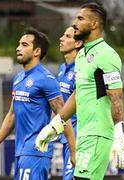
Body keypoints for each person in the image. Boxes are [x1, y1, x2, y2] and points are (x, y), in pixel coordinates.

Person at [35, 2, 124, 180]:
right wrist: (56, 124)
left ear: (94, 24)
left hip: (97, 134)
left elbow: (116, 97)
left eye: (80, 19)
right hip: (84, 133)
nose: (75, 23)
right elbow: (78, 93)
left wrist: (119, 135)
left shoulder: (106, 54)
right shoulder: (81, 54)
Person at [0, 27, 75, 180]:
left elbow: (63, 116)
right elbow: (12, 115)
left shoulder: (46, 79)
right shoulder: (18, 78)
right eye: (19, 44)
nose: (18, 48)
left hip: (36, 152)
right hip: (20, 152)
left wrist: (73, 151)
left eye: (24, 45)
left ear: (37, 51)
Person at [57, 26, 83, 180]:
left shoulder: (82, 69)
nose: (61, 38)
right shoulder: (62, 69)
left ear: (78, 43)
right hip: (66, 136)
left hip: (78, 136)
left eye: (67, 36)